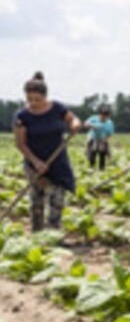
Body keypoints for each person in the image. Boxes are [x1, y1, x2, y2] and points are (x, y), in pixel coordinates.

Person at [13, 72, 81, 231]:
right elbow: (20, 144)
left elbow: (73, 119)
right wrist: (36, 162)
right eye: (29, 99)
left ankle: (53, 234)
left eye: (37, 99)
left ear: (45, 96)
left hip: (57, 161)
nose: (33, 103)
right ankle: (36, 233)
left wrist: (75, 125)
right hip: (34, 164)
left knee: (57, 200)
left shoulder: (57, 108)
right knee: (37, 201)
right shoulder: (21, 116)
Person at [84, 105, 114, 171]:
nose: (104, 116)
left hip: (102, 138)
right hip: (92, 137)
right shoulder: (93, 118)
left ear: (108, 116)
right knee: (92, 152)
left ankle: (102, 168)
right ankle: (91, 167)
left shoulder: (110, 123)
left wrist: (105, 139)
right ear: (100, 114)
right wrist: (92, 125)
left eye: (106, 115)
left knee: (102, 152)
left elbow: (110, 134)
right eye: (103, 114)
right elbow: (85, 124)